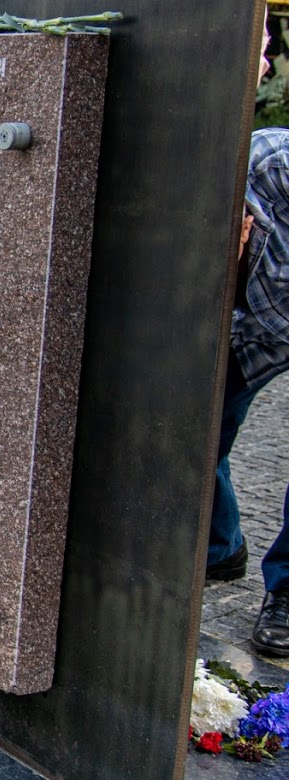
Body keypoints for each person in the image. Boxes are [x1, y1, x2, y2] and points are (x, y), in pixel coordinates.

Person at [206, 133, 289, 657]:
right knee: (198, 431)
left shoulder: (274, 166)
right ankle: (219, 547)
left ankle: (286, 593)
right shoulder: (266, 165)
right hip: (253, 327)